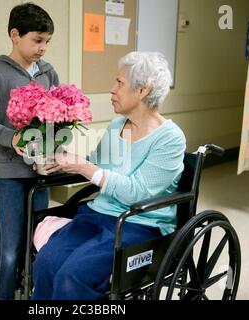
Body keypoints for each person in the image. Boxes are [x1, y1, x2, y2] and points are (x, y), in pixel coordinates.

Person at [31, 51, 186, 300]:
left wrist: (85, 168)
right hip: (98, 214)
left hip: (138, 225)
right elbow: (99, 165)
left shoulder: (170, 138)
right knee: (46, 263)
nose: (112, 89)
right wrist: (66, 161)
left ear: (143, 90)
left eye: (120, 83)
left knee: (72, 277)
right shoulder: (117, 125)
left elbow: (139, 192)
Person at [0, 3, 59, 300]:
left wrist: (56, 147)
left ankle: (33, 295)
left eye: (47, 41)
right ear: (14, 35)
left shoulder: (49, 73)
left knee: (39, 240)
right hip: (10, 175)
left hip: (42, 174)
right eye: (37, 40)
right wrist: (13, 139)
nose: (43, 48)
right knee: (10, 247)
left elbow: (57, 119)